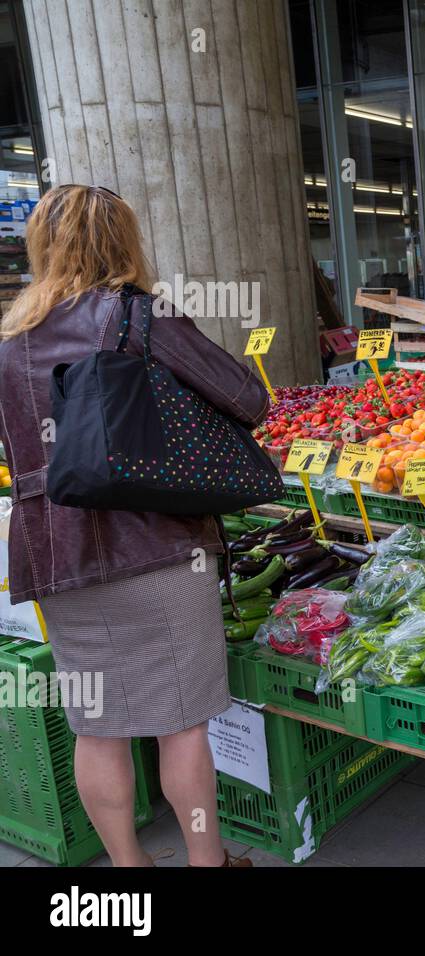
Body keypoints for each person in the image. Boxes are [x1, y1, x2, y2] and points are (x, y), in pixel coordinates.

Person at [0, 185, 271, 867]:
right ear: (123, 242)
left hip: (56, 556)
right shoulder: (140, 316)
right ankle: (209, 864)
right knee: (181, 725)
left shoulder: (9, 343)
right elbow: (247, 397)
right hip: (155, 549)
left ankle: (130, 871)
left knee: (99, 726)